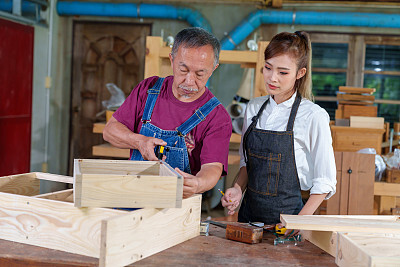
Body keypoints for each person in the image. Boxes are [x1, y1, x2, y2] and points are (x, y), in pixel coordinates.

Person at [221, 31, 336, 235]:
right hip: (248, 222)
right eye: (268, 68)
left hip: (289, 226)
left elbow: (325, 182)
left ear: (300, 73)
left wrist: (297, 223)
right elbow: (247, 165)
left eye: (283, 72)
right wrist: (237, 189)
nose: (272, 78)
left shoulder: (313, 116)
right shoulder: (254, 108)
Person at [103, 27, 232, 198]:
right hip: (133, 194)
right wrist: (139, 141)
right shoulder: (148, 90)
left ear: (213, 68)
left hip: (179, 204)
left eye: (200, 74)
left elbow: (212, 167)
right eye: (183, 70)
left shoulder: (217, 117)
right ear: (172, 60)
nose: (189, 81)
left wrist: (198, 183)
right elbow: (110, 131)